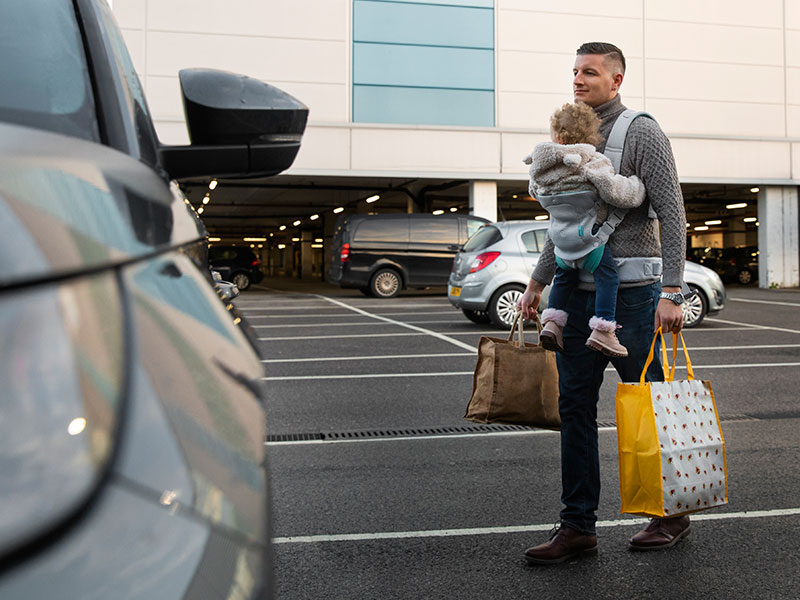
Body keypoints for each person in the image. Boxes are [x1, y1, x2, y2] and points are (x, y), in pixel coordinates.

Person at [517, 42, 688, 564]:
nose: (577, 79)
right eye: (573, 71)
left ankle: (670, 512)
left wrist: (673, 291)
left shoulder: (641, 131)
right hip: (577, 297)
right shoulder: (571, 140)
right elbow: (567, 228)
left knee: (648, 404)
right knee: (574, 410)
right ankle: (578, 527)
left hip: (634, 298)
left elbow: (672, 210)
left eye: (588, 72)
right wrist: (536, 282)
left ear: (616, 80)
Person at [524, 101, 646, 358]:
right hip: (590, 242)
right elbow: (616, 191)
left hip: (561, 246)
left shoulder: (539, 169)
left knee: (563, 279)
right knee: (608, 278)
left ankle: (553, 324)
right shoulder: (591, 161)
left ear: (556, 135)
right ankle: (603, 329)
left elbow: (534, 192)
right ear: (591, 138)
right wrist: (637, 185)